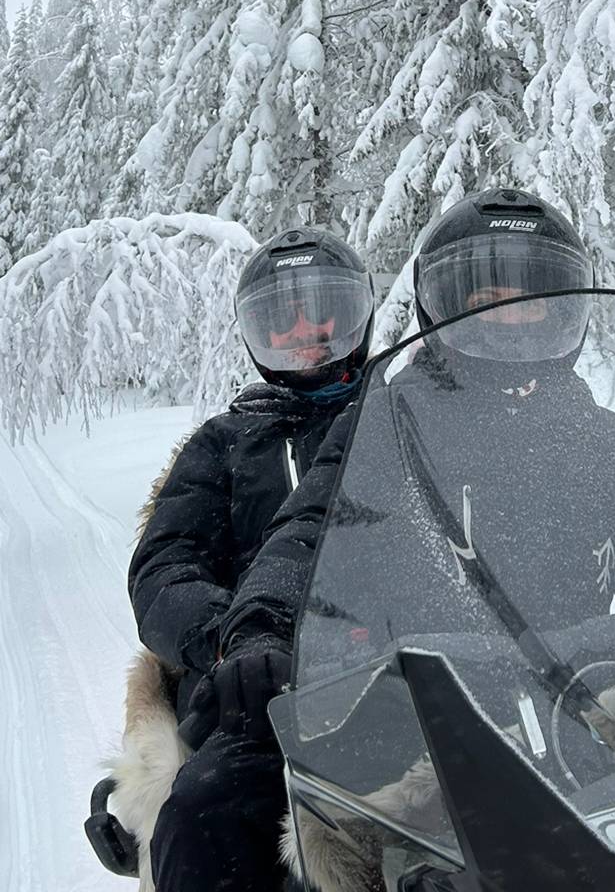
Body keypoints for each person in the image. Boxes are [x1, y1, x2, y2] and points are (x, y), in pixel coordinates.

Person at [206, 192, 615, 887]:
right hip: (414, 726)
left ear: (564, 307)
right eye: (484, 298)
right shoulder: (386, 427)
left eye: (527, 299)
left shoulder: (603, 443)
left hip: (575, 714)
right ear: (442, 308)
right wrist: (261, 631)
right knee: (218, 821)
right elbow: (303, 539)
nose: (505, 317)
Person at [86, 226, 375, 892]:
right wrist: (239, 637)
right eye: (282, 315)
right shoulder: (225, 445)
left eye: (322, 308)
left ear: (358, 311)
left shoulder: (404, 419)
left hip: (400, 678)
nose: (306, 328)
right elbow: (163, 573)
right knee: (202, 815)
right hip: (259, 698)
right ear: (257, 333)